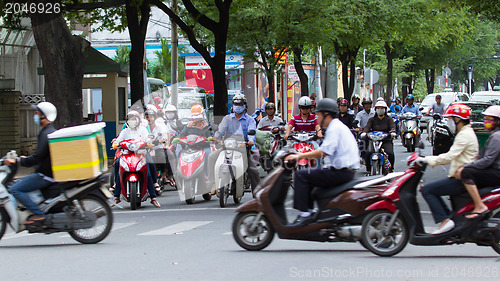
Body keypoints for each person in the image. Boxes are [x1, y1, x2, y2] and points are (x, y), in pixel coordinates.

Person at [285, 98, 360, 226]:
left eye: (319, 115)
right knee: (312, 180)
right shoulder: (336, 126)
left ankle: (305, 214)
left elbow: (322, 152)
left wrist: (297, 156)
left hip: (340, 172)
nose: (317, 118)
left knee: (301, 175)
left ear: (326, 115)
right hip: (341, 170)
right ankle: (314, 213)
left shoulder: (334, 128)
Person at [417, 104, 478, 234]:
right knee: (433, 188)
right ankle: (449, 219)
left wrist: (428, 159)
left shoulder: (464, 135)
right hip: (459, 175)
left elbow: (450, 156)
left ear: (457, 120)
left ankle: (445, 220)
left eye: (450, 119)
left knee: (427, 190)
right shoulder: (465, 133)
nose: (448, 122)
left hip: (461, 179)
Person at [5, 102, 58, 225]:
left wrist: (18, 160)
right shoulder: (48, 131)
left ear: (44, 116)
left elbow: (37, 157)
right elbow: (40, 156)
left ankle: (39, 214)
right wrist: (24, 159)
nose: (35, 116)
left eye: (37, 113)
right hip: (45, 172)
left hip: (45, 175)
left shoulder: (45, 134)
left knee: (15, 189)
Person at [207, 94, 260, 194]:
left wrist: (251, 140)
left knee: (253, 170)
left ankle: (257, 193)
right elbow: (220, 130)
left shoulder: (250, 120)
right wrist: (215, 137)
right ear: (233, 105)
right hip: (227, 146)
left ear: (244, 105)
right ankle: (213, 183)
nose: (238, 106)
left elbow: (252, 131)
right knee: (211, 157)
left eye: (240, 104)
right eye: (236, 103)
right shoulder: (227, 118)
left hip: (243, 147)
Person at [455, 105, 500, 218]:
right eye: (486, 119)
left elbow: (487, 160)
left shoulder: (496, 137)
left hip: (496, 172)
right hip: (494, 170)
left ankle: (479, 205)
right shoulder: (495, 135)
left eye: (489, 119)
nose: (486, 122)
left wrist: (466, 167)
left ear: (497, 121)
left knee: (467, 173)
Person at [112, 111, 161, 207]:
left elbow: (148, 139)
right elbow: (118, 140)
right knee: (118, 166)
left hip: (141, 154)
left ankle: (153, 197)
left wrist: (149, 143)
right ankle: (116, 196)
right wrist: (115, 143)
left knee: (149, 169)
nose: (132, 121)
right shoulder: (125, 131)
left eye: (134, 119)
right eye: (130, 119)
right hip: (126, 155)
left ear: (138, 120)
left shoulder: (142, 130)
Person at [361, 101, 396, 175]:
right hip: (374, 140)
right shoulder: (372, 119)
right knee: (368, 153)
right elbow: (367, 127)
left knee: (390, 153)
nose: (380, 110)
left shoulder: (389, 119)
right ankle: (368, 170)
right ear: (375, 110)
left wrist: (392, 132)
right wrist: (364, 132)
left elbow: (392, 127)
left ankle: (391, 169)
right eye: (378, 108)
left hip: (386, 140)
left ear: (385, 109)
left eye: (382, 108)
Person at [145, 108, 175, 189]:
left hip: (158, 148)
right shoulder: (142, 128)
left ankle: (164, 176)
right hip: (145, 150)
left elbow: (164, 138)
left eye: (150, 117)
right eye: (146, 117)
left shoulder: (160, 127)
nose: (148, 119)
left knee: (163, 155)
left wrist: (162, 142)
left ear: (154, 118)